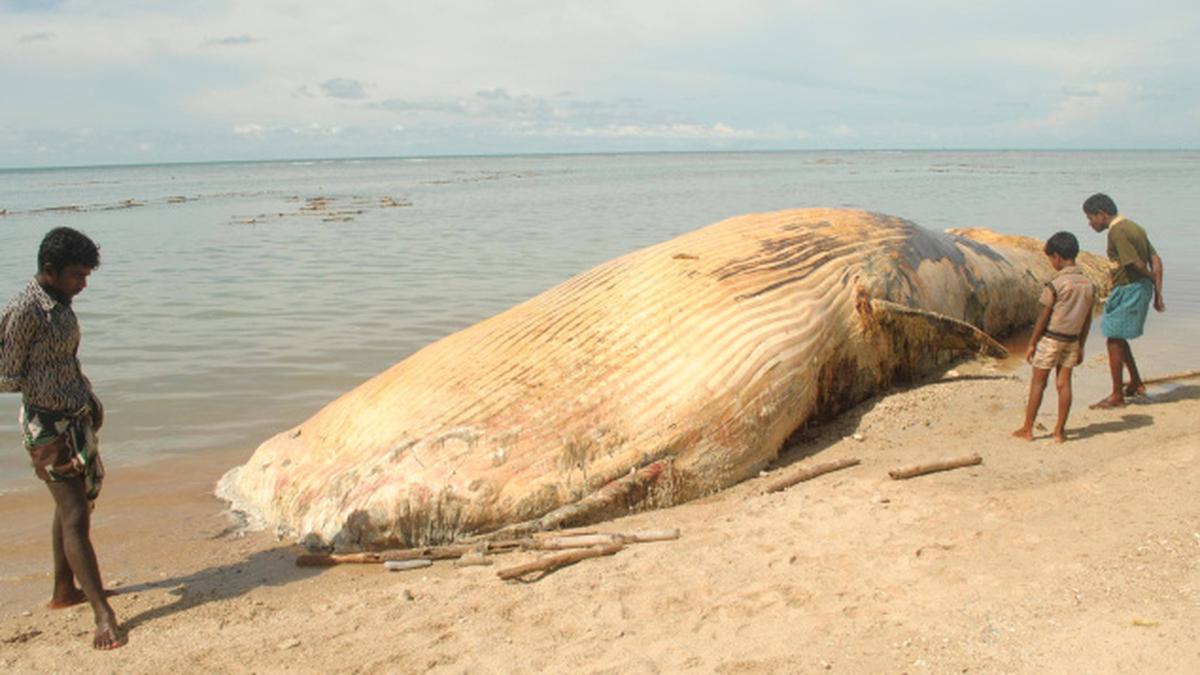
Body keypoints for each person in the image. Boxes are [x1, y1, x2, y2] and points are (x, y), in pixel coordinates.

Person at [0, 227, 123, 650]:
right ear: (49, 270)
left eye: (87, 274)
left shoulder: (62, 304)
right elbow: (6, 374)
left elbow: (65, 360)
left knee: (73, 505)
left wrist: (86, 398)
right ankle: (102, 615)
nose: (84, 283)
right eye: (77, 275)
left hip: (76, 415)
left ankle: (63, 591)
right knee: (74, 515)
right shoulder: (26, 310)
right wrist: (49, 396)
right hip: (47, 425)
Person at [1082, 193, 1166, 409]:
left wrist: (1151, 279)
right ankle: (1135, 383)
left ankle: (1116, 395)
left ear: (1101, 214)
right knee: (1117, 336)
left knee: (1113, 339)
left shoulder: (1117, 231)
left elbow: (1136, 264)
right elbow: (1156, 259)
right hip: (1133, 288)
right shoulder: (1134, 227)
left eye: (1091, 218)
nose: (1090, 223)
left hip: (1130, 288)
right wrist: (1157, 291)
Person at [1013, 232, 1096, 443]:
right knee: (1064, 384)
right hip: (1072, 340)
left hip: (1051, 338)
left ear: (1057, 257)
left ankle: (1028, 429)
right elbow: (1087, 319)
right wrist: (1082, 345)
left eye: (1050, 258)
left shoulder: (1056, 284)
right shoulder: (1088, 285)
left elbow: (1043, 317)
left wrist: (1032, 343)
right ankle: (1060, 432)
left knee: (1038, 383)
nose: (1051, 262)